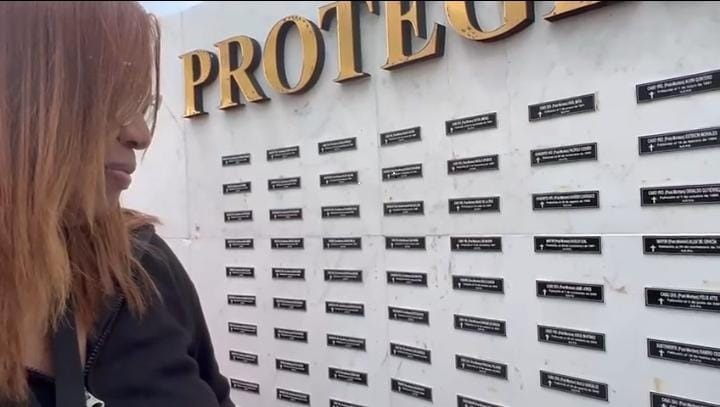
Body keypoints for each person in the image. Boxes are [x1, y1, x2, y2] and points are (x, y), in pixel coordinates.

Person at [0, 2, 233, 406]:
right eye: (115, 97)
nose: (140, 135)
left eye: (142, 106)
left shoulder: (141, 264)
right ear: (20, 94)